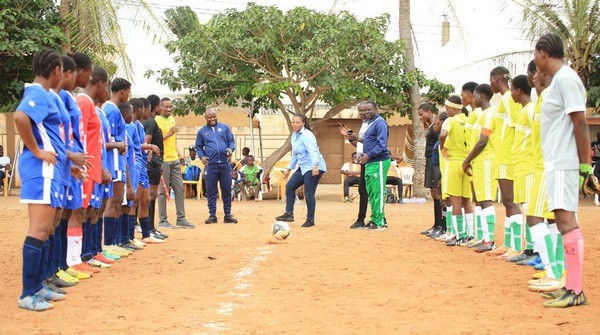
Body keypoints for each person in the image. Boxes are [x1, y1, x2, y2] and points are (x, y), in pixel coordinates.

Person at [534, 33, 590, 307]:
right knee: (562, 221)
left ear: (543, 53)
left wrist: (585, 165)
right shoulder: (558, 81)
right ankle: (571, 284)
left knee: (566, 222)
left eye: (535, 54)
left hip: (564, 162)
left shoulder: (567, 79)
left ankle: (576, 289)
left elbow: (580, 123)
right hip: (557, 162)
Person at [14, 49, 67, 311]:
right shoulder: (36, 90)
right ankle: (27, 294)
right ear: (56, 70)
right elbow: (20, 117)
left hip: (49, 169)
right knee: (38, 229)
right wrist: (36, 151)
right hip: (40, 168)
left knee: (46, 229)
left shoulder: (44, 94)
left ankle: (37, 287)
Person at [487, 66, 523, 257]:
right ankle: (509, 243)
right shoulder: (503, 100)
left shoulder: (510, 99)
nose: (490, 83)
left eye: (491, 79)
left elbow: (520, 127)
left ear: (497, 79)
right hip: (502, 157)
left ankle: (516, 246)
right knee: (507, 202)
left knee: (511, 201)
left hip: (509, 157)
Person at [462, 84, 499, 253]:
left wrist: (466, 160)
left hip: (485, 160)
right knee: (480, 199)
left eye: (475, 96)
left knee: (486, 199)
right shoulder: (482, 115)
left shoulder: (490, 114)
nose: (473, 99)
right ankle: (484, 237)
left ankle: (490, 239)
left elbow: (483, 141)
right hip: (478, 161)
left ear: (482, 96)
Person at [275, 114, 326, 227]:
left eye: (298, 122)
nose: (295, 124)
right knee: (290, 187)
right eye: (293, 122)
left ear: (303, 123)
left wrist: (315, 166)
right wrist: (289, 169)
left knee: (308, 193)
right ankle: (289, 213)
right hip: (303, 167)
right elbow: (295, 154)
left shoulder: (307, 135)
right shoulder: (294, 135)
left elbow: (313, 151)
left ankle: (310, 220)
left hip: (313, 166)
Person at [155, 97, 194, 229]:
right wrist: (170, 133)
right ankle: (162, 220)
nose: (169, 109)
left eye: (171, 107)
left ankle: (181, 218)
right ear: (160, 107)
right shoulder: (156, 120)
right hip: (163, 160)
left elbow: (172, 140)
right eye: (166, 107)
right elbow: (157, 140)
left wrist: (179, 154)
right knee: (163, 191)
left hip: (174, 159)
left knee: (179, 188)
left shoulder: (172, 119)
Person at [439, 95, 473, 246]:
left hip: (453, 162)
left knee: (455, 200)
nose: (446, 112)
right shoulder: (469, 119)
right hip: (467, 163)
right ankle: (471, 234)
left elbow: (443, 134)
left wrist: (441, 146)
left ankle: (459, 234)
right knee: (467, 200)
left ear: (452, 109)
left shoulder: (450, 121)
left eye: (447, 109)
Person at [195, 108, 238, 224]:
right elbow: (198, 147)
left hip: (225, 165)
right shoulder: (202, 132)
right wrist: (202, 156)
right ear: (205, 118)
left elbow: (231, 141)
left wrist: (230, 149)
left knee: (227, 190)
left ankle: (228, 215)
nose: (213, 119)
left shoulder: (224, 128)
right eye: (210, 117)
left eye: (214, 116)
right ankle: (212, 215)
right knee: (211, 191)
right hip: (211, 165)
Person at [357, 101, 390, 230]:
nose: (365, 112)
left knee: (378, 193)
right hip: (370, 162)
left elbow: (382, 145)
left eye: (368, 109)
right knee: (371, 193)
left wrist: (369, 155)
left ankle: (380, 221)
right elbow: (370, 141)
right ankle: (374, 219)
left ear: (376, 109)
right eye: (362, 110)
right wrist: (357, 139)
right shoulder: (369, 123)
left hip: (379, 161)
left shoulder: (380, 123)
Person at [338, 107, 370, 229]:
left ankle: (379, 219)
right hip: (364, 163)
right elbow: (360, 145)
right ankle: (361, 219)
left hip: (373, 162)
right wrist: (349, 136)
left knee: (374, 192)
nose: (362, 113)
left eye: (365, 110)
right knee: (362, 191)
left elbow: (375, 145)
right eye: (360, 111)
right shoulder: (364, 125)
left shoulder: (377, 124)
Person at [143, 95, 168, 240]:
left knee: (151, 196)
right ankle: (150, 228)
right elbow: (147, 143)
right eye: (159, 105)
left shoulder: (151, 121)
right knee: (152, 196)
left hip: (155, 163)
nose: (161, 108)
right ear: (154, 106)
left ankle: (151, 228)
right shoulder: (151, 123)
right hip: (153, 164)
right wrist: (154, 160)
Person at [418, 103, 443, 235]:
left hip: (434, 162)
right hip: (430, 161)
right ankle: (436, 224)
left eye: (422, 114)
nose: (420, 117)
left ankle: (441, 226)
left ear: (429, 112)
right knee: (434, 193)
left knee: (437, 192)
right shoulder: (431, 127)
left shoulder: (437, 126)